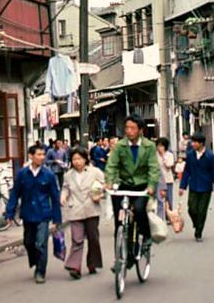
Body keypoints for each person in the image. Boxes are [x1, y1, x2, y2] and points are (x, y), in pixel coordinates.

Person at [105, 114, 160, 258]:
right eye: (127, 127)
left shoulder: (149, 146)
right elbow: (112, 165)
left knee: (140, 210)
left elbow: (154, 168)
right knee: (119, 219)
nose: (128, 131)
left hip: (142, 187)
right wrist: (110, 181)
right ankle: (121, 256)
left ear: (140, 130)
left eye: (132, 128)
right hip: (124, 186)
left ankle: (146, 237)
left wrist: (152, 185)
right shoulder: (120, 146)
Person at [6, 145, 62, 284]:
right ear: (31, 156)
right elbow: (15, 194)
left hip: (43, 214)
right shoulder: (22, 174)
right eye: (39, 154)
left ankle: (40, 271)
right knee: (29, 242)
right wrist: (10, 213)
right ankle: (35, 261)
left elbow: (55, 197)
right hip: (27, 213)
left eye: (43, 154)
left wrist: (57, 218)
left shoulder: (48, 175)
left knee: (41, 243)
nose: (42, 157)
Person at [61, 147, 105, 279]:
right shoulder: (68, 175)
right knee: (77, 239)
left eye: (79, 158)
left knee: (93, 238)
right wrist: (63, 196)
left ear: (85, 159)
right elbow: (65, 189)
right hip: (75, 209)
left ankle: (92, 263)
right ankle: (75, 266)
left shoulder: (95, 171)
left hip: (91, 207)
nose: (77, 162)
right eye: (74, 159)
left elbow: (102, 184)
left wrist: (98, 193)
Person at [179, 132, 214, 242]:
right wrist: (182, 186)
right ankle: (196, 223)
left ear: (201, 143)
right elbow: (187, 171)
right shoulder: (190, 154)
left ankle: (198, 232)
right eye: (192, 142)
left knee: (202, 211)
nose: (193, 144)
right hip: (193, 185)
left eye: (195, 142)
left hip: (206, 187)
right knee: (191, 208)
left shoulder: (209, 156)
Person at [156, 137, 175, 215]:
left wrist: (163, 155)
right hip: (158, 179)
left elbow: (168, 165)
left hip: (168, 179)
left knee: (168, 198)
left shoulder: (169, 155)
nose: (159, 147)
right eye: (158, 145)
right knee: (159, 198)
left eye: (161, 146)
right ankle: (160, 214)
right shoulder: (155, 155)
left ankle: (169, 214)